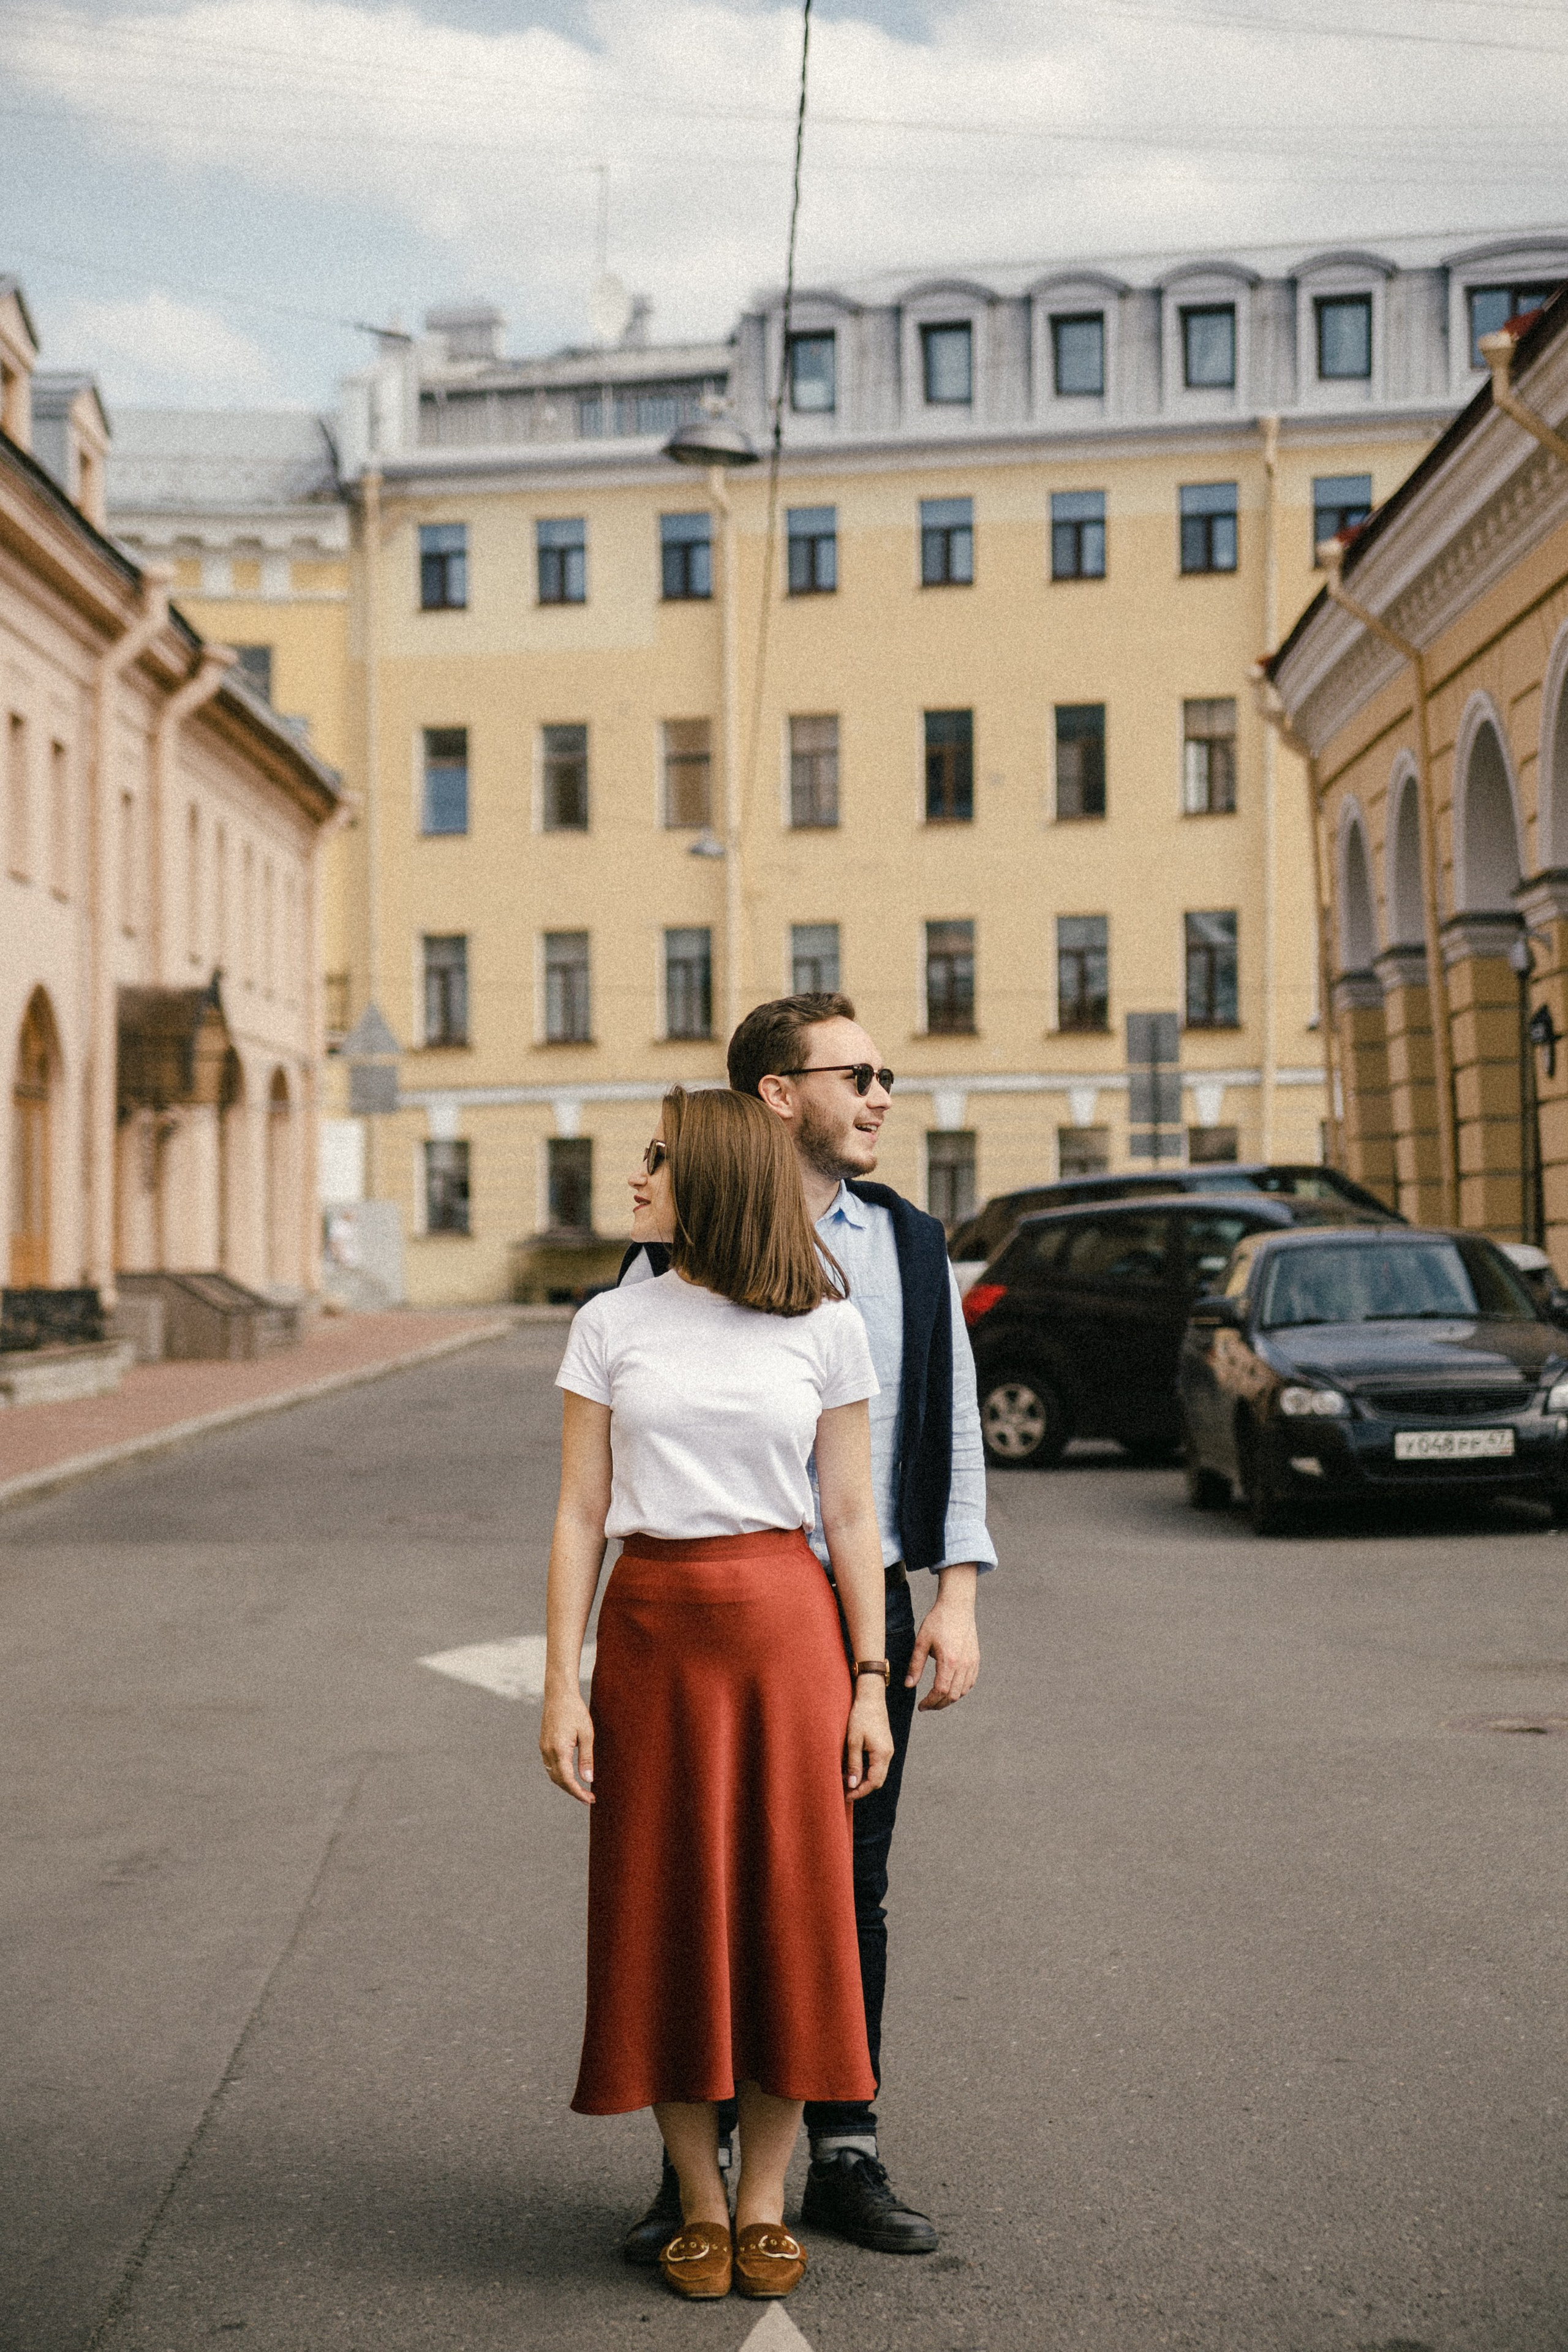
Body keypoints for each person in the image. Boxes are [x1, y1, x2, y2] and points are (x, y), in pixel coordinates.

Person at [620, 993, 995, 2262]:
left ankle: (846, 2148)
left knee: (849, 1884)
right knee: (705, 1887)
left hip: (857, 1603)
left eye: (885, 1073)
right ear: (778, 1094)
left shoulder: (902, 1243)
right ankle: (701, 2174)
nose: (882, 1095)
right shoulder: (657, 1258)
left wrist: (954, 1594)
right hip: (708, 1607)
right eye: (858, 1074)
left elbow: (947, 1430)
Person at [541, 1085, 897, 2302]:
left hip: (787, 1637)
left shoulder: (823, 1326)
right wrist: (560, 1684)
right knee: (665, 1911)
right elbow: (580, 1514)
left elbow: (849, 1514)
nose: (635, 1175)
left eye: (657, 1157)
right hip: (649, 1632)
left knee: (792, 1915)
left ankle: (764, 2204)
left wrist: (867, 1681)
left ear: (718, 1176)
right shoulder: (610, 1323)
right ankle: (696, 2198)